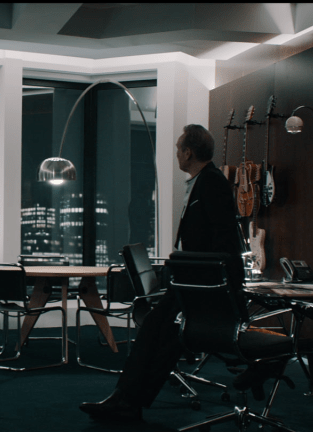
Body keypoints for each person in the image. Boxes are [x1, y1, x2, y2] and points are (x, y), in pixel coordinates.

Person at [79, 124, 246, 422]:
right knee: (158, 334)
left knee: (160, 333)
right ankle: (126, 400)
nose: (177, 155)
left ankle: (126, 401)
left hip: (201, 285)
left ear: (189, 152)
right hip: (189, 281)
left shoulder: (212, 183)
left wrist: (203, 275)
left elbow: (225, 242)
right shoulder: (201, 181)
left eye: (178, 149)